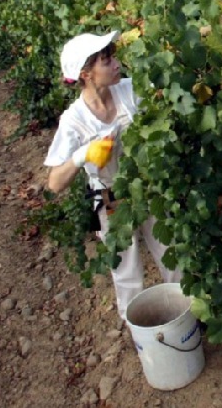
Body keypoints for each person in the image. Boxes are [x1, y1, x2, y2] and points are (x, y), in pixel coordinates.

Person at [44, 30, 181, 321]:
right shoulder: (74, 120)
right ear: (87, 74)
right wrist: (83, 156)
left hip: (147, 187)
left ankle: (184, 316)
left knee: (173, 255)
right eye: (107, 61)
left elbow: (170, 83)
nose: (117, 64)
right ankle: (141, 332)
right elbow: (54, 183)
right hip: (108, 196)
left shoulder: (129, 90)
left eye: (113, 57)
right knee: (126, 271)